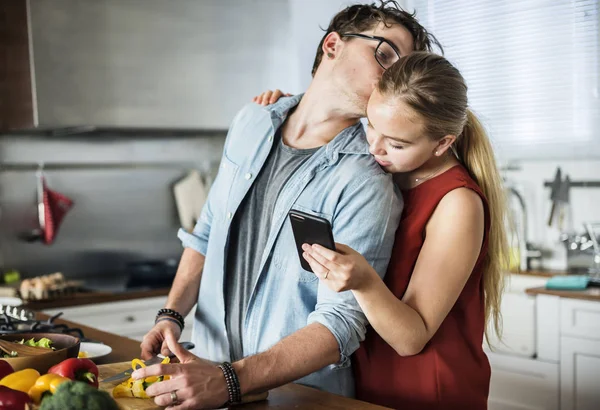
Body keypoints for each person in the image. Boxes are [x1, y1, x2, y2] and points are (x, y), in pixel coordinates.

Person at [134, 2, 440, 409]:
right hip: (201, 378)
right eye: (384, 55)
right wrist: (171, 313)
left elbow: (341, 323)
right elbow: (207, 232)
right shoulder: (251, 122)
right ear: (333, 45)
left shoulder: (368, 182)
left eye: (401, 68)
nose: (391, 77)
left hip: (293, 399)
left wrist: (229, 380)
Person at [257, 52, 509, 410]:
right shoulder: (383, 174)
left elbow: (412, 339)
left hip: (429, 391)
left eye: (397, 143)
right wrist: (288, 109)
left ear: (442, 143)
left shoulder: (458, 203)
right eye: (371, 125)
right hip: (368, 383)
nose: (374, 146)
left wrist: (364, 282)